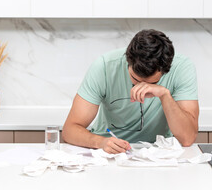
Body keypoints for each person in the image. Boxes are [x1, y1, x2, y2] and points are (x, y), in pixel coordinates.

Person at [62, 29, 199, 154]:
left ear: (166, 70)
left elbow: (187, 138)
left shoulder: (182, 68)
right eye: (135, 79)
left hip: (158, 153)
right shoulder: (104, 66)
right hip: (108, 152)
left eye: (152, 83)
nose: (142, 88)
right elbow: (70, 130)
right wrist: (101, 142)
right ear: (128, 60)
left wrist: (164, 95)